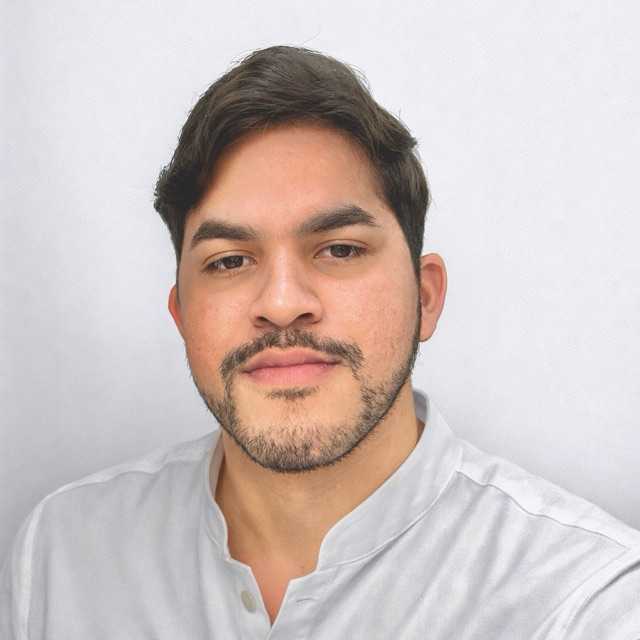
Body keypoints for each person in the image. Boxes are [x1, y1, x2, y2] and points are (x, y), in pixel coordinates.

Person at [1, 45, 639, 639]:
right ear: (182, 316)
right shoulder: (61, 554)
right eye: (229, 261)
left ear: (425, 298)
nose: (282, 303)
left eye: (339, 250)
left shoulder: (587, 603)